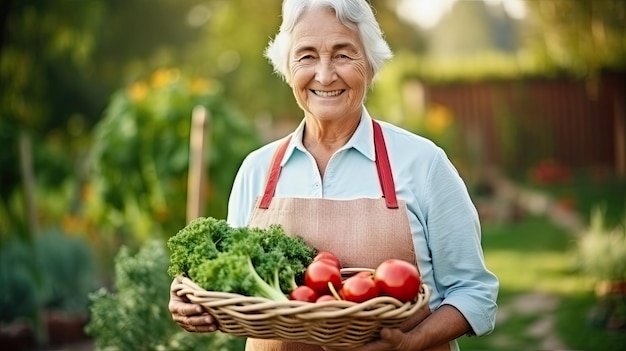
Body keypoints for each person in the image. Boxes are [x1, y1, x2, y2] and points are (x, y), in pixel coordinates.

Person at [169, 0, 499, 350]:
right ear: (287, 68)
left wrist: (412, 341)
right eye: (307, 56)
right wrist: (191, 299)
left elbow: (475, 294)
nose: (325, 75)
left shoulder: (423, 164)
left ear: (370, 65)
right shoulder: (257, 169)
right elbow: (227, 283)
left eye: (343, 55)